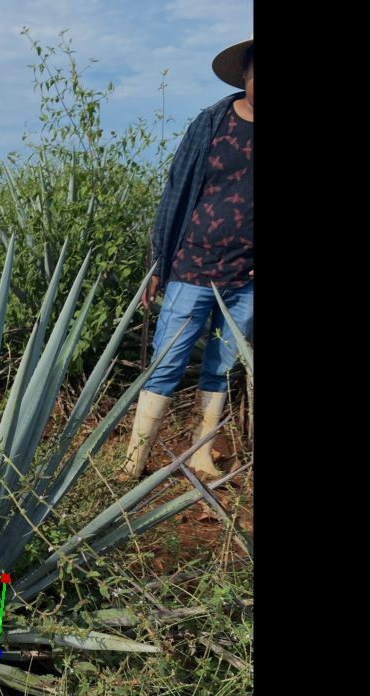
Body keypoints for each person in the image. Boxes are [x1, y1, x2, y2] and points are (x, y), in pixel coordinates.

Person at [121, 38, 253, 480]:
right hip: (193, 266)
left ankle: (200, 454)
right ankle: (133, 461)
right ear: (245, 74)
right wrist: (158, 263)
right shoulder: (212, 122)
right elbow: (176, 190)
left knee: (222, 366)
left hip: (247, 278)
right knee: (166, 362)